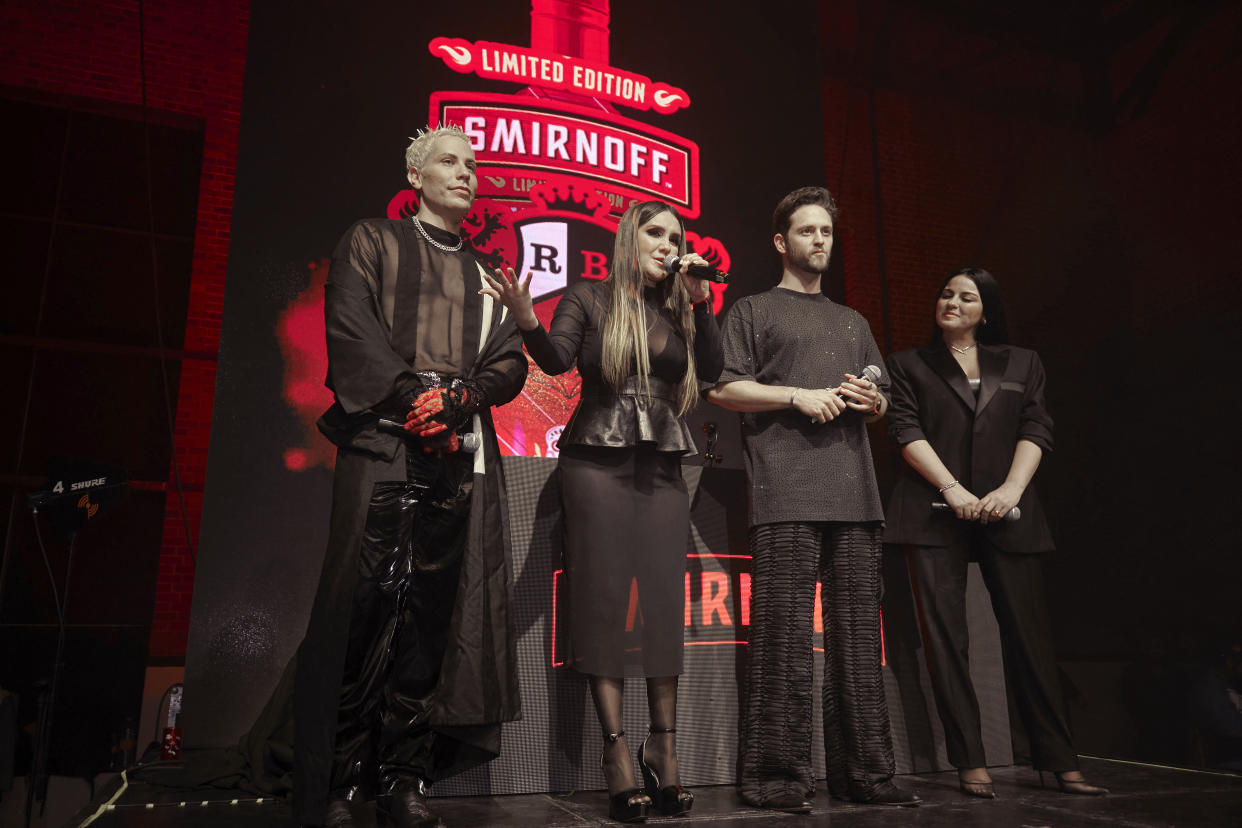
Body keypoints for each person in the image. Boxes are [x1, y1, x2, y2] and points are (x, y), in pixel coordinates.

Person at [293, 124, 528, 827]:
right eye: (449, 162)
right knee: (362, 607)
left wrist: (462, 398)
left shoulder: (490, 272)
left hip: (456, 452)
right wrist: (411, 399)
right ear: (415, 177)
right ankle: (339, 781)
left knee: (432, 614)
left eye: (471, 164)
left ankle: (404, 776)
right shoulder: (372, 240)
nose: (465, 173)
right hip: (383, 444)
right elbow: (351, 324)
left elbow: (511, 360)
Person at [481, 200, 723, 822]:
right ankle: (616, 753)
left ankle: (662, 746)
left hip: (664, 468)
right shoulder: (589, 297)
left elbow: (716, 372)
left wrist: (699, 302)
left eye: (676, 236)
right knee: (605, 600)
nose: (669, 245)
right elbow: (558, 360)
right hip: (594, 463)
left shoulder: (678, 309)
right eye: (657, 233)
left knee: (664, 604)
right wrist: (524, 318)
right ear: (630, 237)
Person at [707, 186, 920, 812]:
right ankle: (777, 780)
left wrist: (869, 400)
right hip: (784, 492)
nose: (819, 241)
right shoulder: (750, 310)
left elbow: (880, 402)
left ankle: (867, 777)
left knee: (857, 641)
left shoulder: (853, 321)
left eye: (826, 232)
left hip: (856, 493)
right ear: (782, 241)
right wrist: (796, 395)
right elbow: (723, 389)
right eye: (807, 231)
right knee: (784, 637)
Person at [883, 267, 1107, 798]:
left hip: (1010, 510)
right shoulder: (907, 363)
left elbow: (1036, 427)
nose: (952, 302)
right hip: (934, 509)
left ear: (987, 310)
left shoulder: (1023, 361)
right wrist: (953, 489)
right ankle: (969, 761)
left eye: (967, 296)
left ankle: (1059, 760)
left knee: (1030, 640)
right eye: (945, 293)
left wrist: (1010, 489)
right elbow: (904, 430)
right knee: (945, 644)